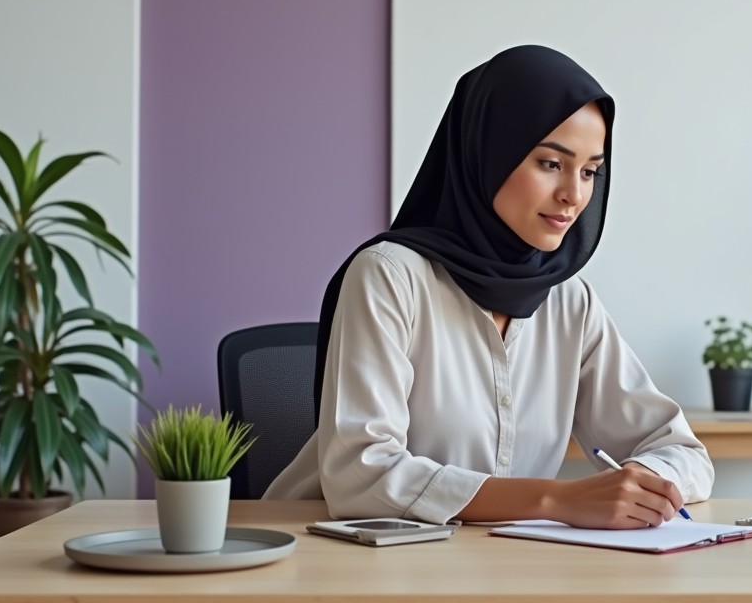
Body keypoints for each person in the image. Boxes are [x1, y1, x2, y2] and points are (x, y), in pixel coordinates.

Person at [265, 45, 714, 529]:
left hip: (492, 563)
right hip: (334, 561)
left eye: (589, 171)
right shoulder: (389, 276)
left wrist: (641, 484)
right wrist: (554, 501)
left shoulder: (568, 300)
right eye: (549, 163)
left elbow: (680, 451)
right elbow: (361, 475)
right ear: (487, 153)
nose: (574, 194)